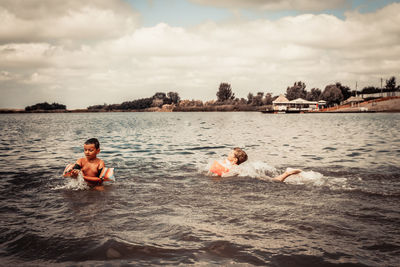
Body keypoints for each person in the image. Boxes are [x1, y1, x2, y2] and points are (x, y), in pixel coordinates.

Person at [209, 147, 301, 182]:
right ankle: (290, 175)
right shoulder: (232, 165)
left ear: (234, 160)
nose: (228, 153)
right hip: (251, 174)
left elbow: (225, 175)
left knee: (274, 181)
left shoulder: (234, 168)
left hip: (254, 177)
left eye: (230, 153)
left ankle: (287, 173)